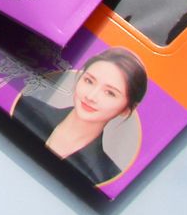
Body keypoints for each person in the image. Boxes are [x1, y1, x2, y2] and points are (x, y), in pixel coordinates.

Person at [12, 48, 148, 186]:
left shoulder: (108, 176)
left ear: (126, 109)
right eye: (89, 81)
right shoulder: (24, 106)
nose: (91, 96)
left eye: (110, 93)